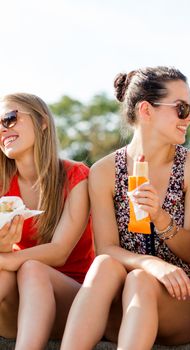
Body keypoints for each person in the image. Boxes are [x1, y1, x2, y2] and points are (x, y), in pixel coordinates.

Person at [60, 66, 190, 349]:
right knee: (108, 265)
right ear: (146, 110)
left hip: (185, 299)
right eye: (181, 108)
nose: (189, 118)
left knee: (141, 281)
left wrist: (159, 216)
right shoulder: (105, 171)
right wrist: (151, 263)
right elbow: (106, 249)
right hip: (125, 301)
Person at [0, 93, 94, 349]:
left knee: (30, 268)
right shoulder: (2, 187)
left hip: (73, 301)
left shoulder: (76, 176)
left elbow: (59, 252)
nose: (2, 130)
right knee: (6, 276)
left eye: (9, 119)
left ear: (42, 122)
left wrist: (5, 259)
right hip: (18, 306)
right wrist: (4, 250)